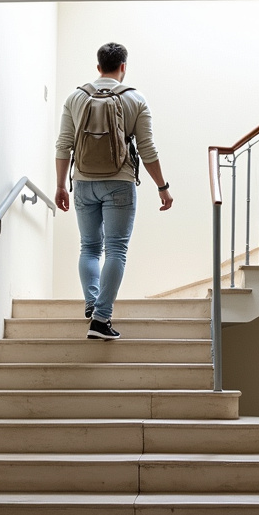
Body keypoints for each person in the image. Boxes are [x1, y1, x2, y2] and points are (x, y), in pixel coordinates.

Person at [54, 42, 173, 340]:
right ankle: (101, 319)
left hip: (82, 182)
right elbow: (148, 150)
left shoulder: (75, 98)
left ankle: (93, 303)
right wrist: (162, 187)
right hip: (120, 183)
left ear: (98, 67)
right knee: (116, 249)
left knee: (89, 247)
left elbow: (63, 146)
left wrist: (60, 185)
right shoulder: (135, 99)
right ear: (123, 67)